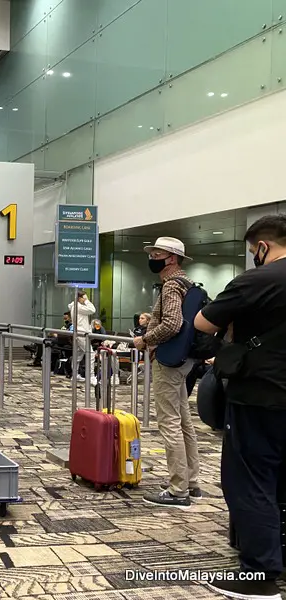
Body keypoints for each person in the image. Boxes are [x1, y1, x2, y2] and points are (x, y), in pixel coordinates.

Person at [194, 215, 286, 600]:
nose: (254, 258)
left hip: (262, 396)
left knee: (250, 479)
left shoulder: (257, 280)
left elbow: (202, 323)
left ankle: (260, 574)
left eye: (253, 252)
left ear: (262, 247)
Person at [133, 237, 201, 509]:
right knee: (184, 422)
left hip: (169, 363)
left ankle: (177, 490)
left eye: (158, 254)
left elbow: (172, 323)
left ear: (171, 258)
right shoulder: (188, 284)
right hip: (184, 360)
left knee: (169, 423)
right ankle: (190, 481)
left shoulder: (172, 286)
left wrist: (146, 339)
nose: (153, 258)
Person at [68, 291, 95, 381]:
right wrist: (87, 301)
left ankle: (75, 374)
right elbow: (92, 310)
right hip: (81, 333)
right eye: (84, 297)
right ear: (80, 298)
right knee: (91, 353)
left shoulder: (74, 306)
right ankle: (91, 376)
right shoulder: (78, 307)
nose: (85, 299)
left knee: (78, 355)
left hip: (78, 333)